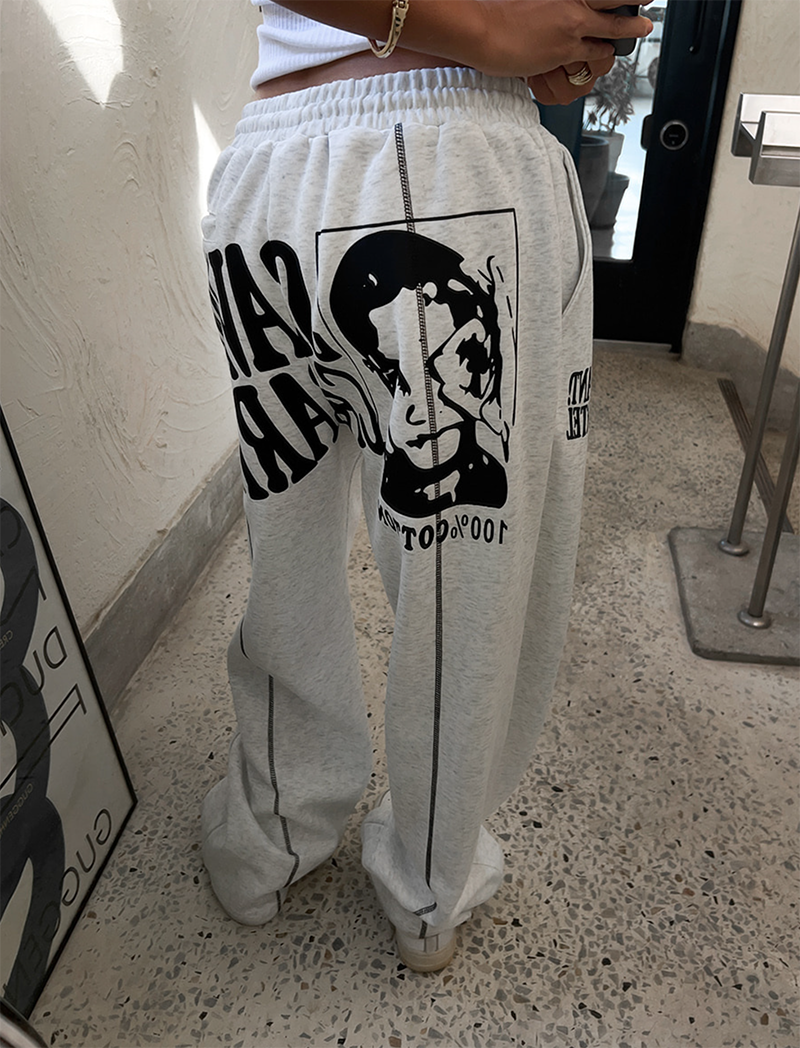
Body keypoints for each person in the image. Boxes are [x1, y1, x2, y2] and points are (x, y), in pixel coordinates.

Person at [200, 0, 653, 972]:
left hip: (266, 164)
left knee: (284, 554)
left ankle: (265, 838)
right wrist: (490, 34)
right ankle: (426, 889)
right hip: (454, 152)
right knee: (465, 602)